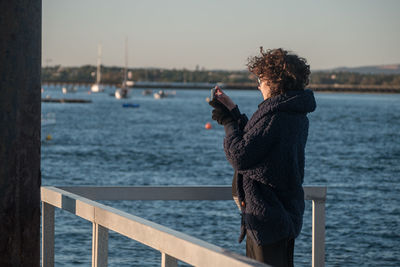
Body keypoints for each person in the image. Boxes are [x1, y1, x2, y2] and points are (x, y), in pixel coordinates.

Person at [209, 47, 316, 267]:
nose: (258, 84)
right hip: (282, 216)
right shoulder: (292, 112)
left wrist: (229, 123)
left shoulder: (276, 115)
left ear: (275, 81)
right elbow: (259, 143)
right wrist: (233, 111)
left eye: (261, 78)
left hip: (268, 220)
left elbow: (241, 155)